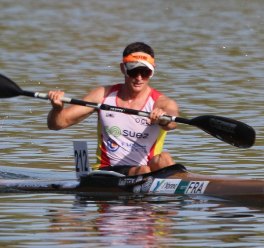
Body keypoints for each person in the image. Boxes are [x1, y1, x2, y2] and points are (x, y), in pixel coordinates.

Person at [47, 42, 179, 176]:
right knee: (143, 170)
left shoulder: (162, 103)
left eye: (145, 72)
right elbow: (57, 124)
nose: (139, 78)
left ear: (153, 70)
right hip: (108, 171)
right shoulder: (102, 95)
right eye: (133, 71)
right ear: (123, 68)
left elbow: (173, 122)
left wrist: (163, 119)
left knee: (164, 158)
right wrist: (57, 109)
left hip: (145, 172)